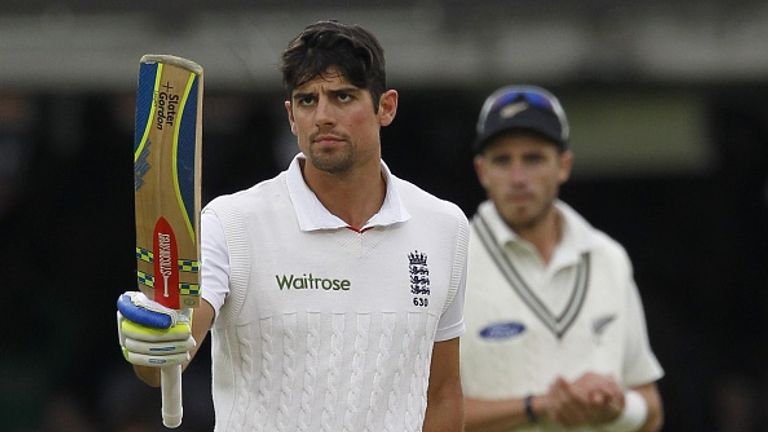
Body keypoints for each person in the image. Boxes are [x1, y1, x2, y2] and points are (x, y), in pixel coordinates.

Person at [116, 20, 468, 431]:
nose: (322, 116)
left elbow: (443, 394)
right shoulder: (231, 222)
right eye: (306, 100)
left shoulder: (444, 227)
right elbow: (164, 363)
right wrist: (153, 346)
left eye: (342, 97)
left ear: (385, 107)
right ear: (291, 116)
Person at [460, 85, 664, 432]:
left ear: (564, 166)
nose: (518, 178)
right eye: (502, 160)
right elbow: (424, 414)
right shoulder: (449, 259)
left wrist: (615, 408)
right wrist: (539, 406)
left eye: (534, 158)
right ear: (482, 171)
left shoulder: (608, 258)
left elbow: (651, 410)